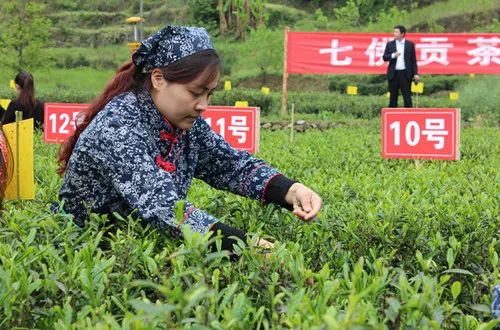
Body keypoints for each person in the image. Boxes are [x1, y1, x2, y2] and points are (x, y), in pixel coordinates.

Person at [57, 25, 322, 255]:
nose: (203, 106)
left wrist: (290, 190)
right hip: (81, 254)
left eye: (209, 94)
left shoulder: (183, 124)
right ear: (158, 79)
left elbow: (229, 164)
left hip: (136, 250)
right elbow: (162, 206)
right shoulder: (118, 126)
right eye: (195, 92)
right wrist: (245, 246)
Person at [382, 25, 419, 108]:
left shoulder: (409, 45)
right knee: (393, 98)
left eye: (396, 32)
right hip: (393, 74)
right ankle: (392, 118)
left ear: (402, 34)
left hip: (405, 74)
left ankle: (409, 117)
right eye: (394, 32)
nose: (394, 33)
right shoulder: (390, 44)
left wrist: (416, 73)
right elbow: (384, 57)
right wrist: (393, 55)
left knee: (407, 98)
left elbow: (413, 61)